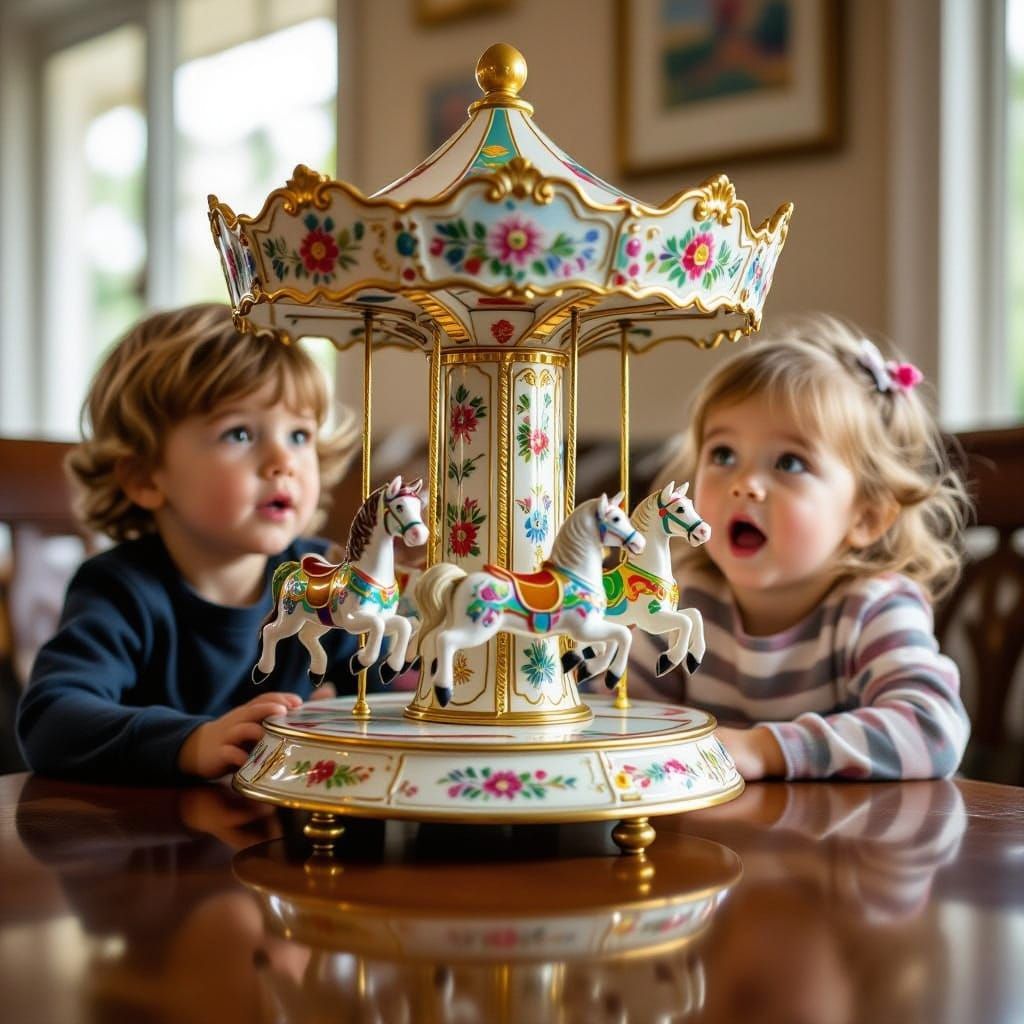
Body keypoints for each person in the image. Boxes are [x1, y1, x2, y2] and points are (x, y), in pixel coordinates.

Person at [17, 303, 364, 784]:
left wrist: (344, 708)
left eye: (300, 434)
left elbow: (387, 679)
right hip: (148, 842)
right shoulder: (121, 590)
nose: (284, 460)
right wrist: (189, 741)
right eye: (239, 433)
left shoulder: (320, 575)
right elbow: (49, 720)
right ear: (145, 478)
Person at [627, 315, 971, 781]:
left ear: (865, 517)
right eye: (723, 454)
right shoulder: (684, 601)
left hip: (846, 847)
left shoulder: (872, 609)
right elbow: (621, 716)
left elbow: (931, 729)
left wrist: (764, 749)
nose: (745, 484)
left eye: (790, 462)